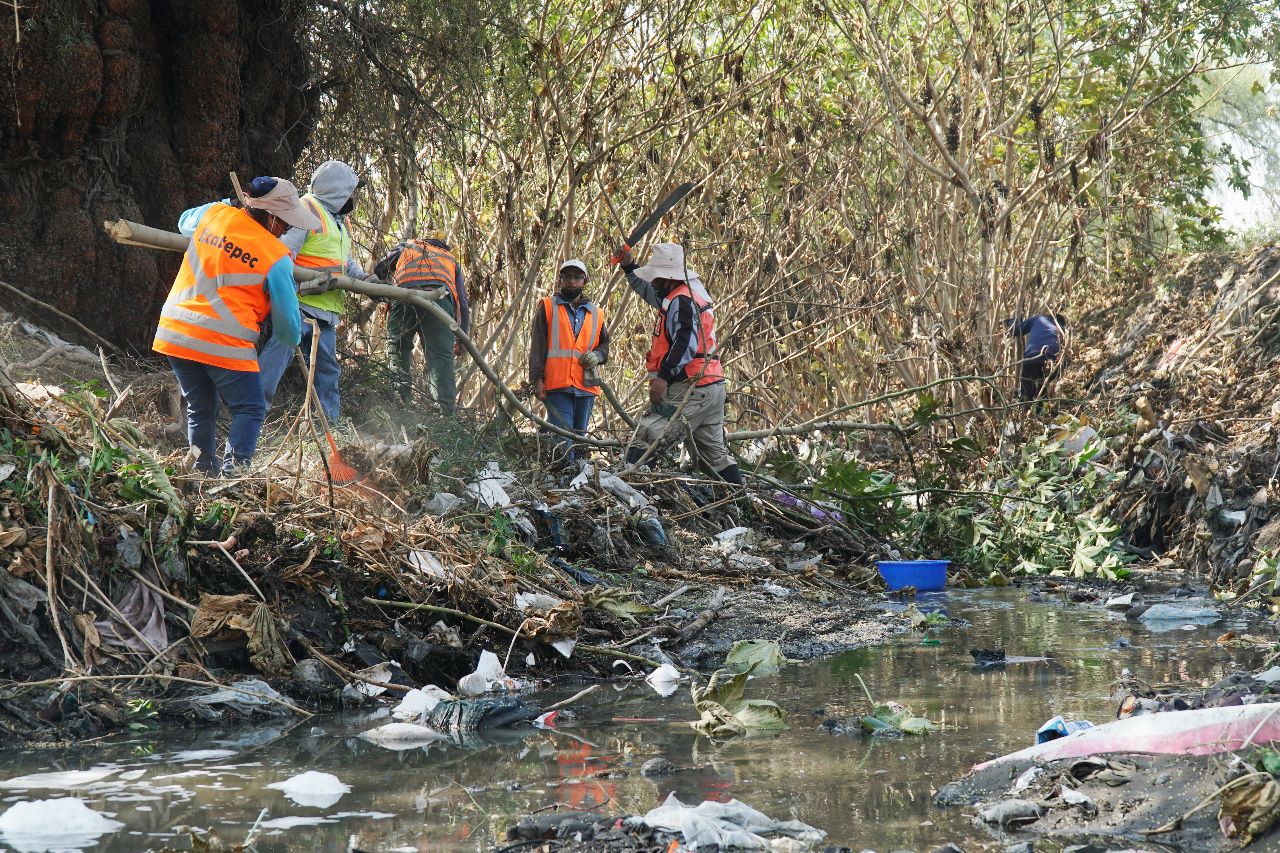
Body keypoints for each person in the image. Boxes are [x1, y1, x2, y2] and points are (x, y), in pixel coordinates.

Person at [153, 177, 317, 475]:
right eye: (286, 222)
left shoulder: (215, 214)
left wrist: (228, 203)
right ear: (271, 217)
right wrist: (292, 336)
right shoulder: (275, 257)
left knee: (201, 408)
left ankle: (202, 473)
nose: (288, 229)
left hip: (176, 331)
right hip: (221, 340)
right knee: (250, 408)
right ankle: (234, 474)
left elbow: (183, 221)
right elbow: (288, 331)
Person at [617, 242, 742, 488]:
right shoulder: (686, 292)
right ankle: (742, 502)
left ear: (667, 277)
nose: (652, 281)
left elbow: (685, 343)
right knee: (715, 456)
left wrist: (663, 378)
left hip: (690, 387)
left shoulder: (682, 302)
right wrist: (629, 267)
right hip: (712, 386)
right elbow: (648, 291)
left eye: (656, 276)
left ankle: (627, 492)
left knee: (648, 435)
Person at [258, 160, 368, 422]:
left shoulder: (340, 221)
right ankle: (252, 412)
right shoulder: (307, 209)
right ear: (337, 190)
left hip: (326, 312)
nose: (352, 197)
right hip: (298, 303)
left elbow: (345, 263)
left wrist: (368, 279)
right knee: (276, 359)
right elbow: (284, 255)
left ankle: (329, 426)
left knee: (328, 370)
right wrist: (304, 286)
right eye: (350, 191)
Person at [373, 235, 469, 414]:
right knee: (440, 358)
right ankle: (445, 415)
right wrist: (462, 337)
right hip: (439, 303)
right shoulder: (449, 259)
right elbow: (462, 301)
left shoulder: (408, 247)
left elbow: (379, 268)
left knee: (398, 349)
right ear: (442, 247)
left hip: (403, 297)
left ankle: (400, 404)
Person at [528, 259, 611, 463]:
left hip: (586, 386)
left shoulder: (596, 313)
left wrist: (597, 356)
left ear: (584, 281)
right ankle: (562, 477)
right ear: (560, 280)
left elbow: (605, 346)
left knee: (580, 438)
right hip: (557, 385)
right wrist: (536, 380)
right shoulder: (547, 307)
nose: (571, 282)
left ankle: (577, 483)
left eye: (577, 277)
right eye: (567, 277)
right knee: (562, 438)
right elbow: (537, 346)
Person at [1006, 313, 1068, 401]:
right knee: (1042, 395)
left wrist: (1011, 321)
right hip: (1051, 361)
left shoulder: (1039, 319)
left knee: (1027, 396)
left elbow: (1016, 330)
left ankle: (1027, 410)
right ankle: (1042, 411)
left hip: (1031, 358)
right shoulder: (1063, 331)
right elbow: (1064, 356)